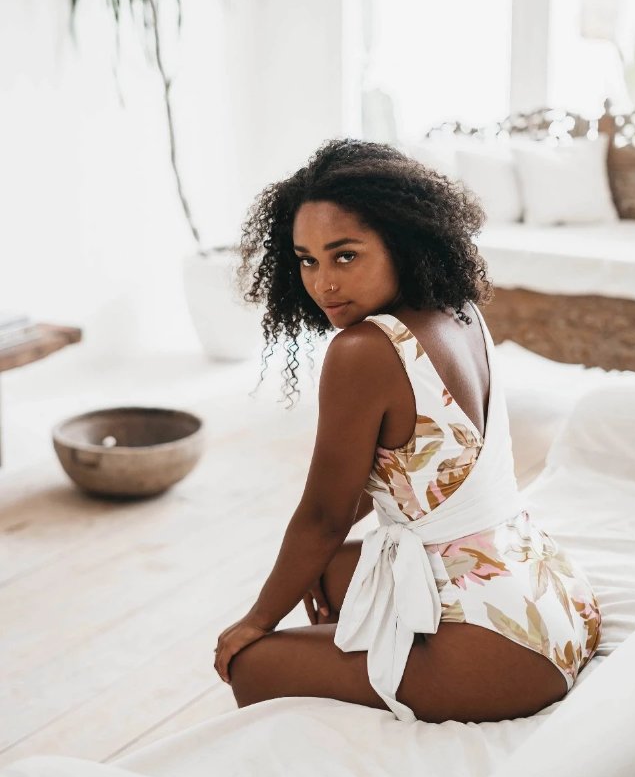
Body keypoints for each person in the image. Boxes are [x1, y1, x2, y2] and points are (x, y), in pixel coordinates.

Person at [212, 137, 602, 724]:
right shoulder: (459, 309)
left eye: (345, 256)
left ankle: (381, 693)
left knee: (252, 663)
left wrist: (251, 625)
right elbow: (395, 488)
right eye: (307, 259)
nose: (323, 284)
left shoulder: (364, 350)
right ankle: (379, 672)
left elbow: (322, 515)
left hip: (504, 651)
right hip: (555, 600)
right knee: (327, 570)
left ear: (402, 242)